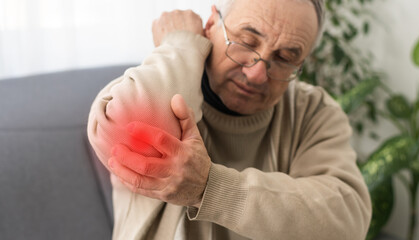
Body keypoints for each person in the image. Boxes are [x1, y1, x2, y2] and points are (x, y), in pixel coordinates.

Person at [87, 0, 372, 239]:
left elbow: (347, 219)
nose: (256, 74)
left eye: (284, 58)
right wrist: (181, 44)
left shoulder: (314, 112)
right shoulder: (168, 77)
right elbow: (118, 133)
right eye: (246, 42)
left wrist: (210, 187)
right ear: (211, 24)